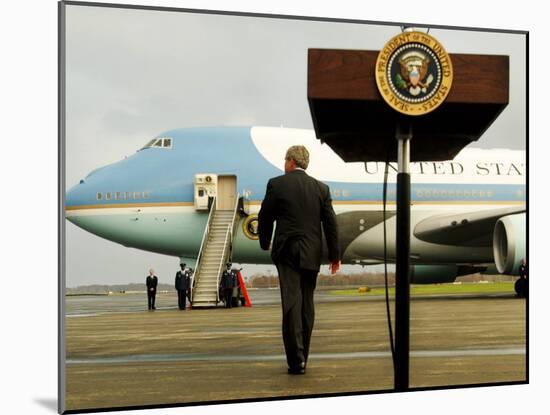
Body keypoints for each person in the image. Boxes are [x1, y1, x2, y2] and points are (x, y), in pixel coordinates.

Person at [258, 145, 340, 375]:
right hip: (312, 252)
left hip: (286, 251)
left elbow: (265, 217)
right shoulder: (321, 188)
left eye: (285, 161)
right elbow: (331, 224)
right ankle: (304, 355)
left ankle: (296, 360)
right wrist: (335, 256)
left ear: (291, 161)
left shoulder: (277, 184)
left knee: (291, 303)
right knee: (307, 304)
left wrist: (265, 242)